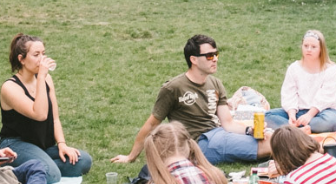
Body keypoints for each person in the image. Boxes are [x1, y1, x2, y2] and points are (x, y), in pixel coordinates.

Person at [112, 34, 272, 167]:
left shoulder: (216, 83)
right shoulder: (173, 88)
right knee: (273, 145)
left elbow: (228, 123)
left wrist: (249, 131)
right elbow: (152, 124)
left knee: (274, 137)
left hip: (220, 133)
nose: (215, 59)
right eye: (209, 56)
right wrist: (131, 156)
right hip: (199, 143)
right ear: (194, 60)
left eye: (216, 54)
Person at [0, 33, 92, 183]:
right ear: (21, 59)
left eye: (43, 53)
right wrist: (41, 77)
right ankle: (14, 168)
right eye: (36, 55)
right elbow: (40, 114)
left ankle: (38, 167)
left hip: (41, 145)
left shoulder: (47, 79)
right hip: (16, 145)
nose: (42, 59)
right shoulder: (10, 87)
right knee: (51, 174)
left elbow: (54, 118)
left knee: (83, 160)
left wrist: (62, 144)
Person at [266, 29, 336, 134]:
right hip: (299, 111)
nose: (309, 50)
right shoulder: (294, 68)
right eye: (306, 46)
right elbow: (288, 93)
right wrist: (291, 114)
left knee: (330, 122)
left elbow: (326, 96)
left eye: (313, 47)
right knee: (266, 116)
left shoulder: (331, 70)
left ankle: (290, 129)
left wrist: (309, 115)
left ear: (321, 49)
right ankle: (298, 129)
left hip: (323, 112)